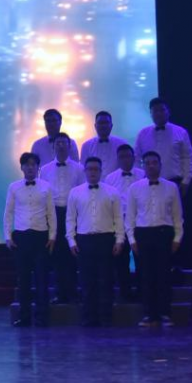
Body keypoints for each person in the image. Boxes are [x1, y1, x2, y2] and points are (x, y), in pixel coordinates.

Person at [135, 97, 192, 267]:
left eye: (162, 110)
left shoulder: (180, 132)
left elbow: (187, 157)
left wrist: (186, 180)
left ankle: (176, 265)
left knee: (175, 222)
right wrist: (140, 180)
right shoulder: (143, 133)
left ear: (168, 111)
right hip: (148, 184)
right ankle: (152, 265)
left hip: (174, 183)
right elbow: (136, 158)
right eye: (155, 110)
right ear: (151, 113)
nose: (159, 113)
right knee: (151, 223)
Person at [126, 151, 184, 327]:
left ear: (160, 165)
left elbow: (177, 215)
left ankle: (165, 313)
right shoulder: (134, 188)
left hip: (164, 233)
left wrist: (177, 238)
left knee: (163, 275)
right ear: (143, 166)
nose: (151, 166)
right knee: (145, 276)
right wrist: (132, 240)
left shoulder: (171, 187)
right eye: (148, 163)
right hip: (143, 234)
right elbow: (130, 217)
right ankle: (148, 314)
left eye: (154, 162)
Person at [66, 157, 125, 327]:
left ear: (100, 171)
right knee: (86, 281)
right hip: (84, 240)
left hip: (106, 239)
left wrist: (119, 240)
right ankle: (89, 318)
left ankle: (106, 318)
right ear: (85, 171)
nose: (92, 172)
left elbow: (118, 218)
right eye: (89, 169)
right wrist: (71, 241)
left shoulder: (112, 192)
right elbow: (70, 219)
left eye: (95, 169)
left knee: (106, 280)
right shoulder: (75, 192)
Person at [4, 152, 56, 327]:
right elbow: (8, 212)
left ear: (38, 167)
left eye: (33, 164)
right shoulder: (14, 187)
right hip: (21, 237)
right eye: (27, 164)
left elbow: (51, 213)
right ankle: (24, 317)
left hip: (41, 236)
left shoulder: (46, 187)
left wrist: (52, 236)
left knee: (42, 279)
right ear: (22, 167)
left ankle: (42, 318)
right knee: (23, 280)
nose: (30, 167)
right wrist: (7, 236)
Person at [40, 134, 83, 303]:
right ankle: (60, 293)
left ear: (70, 146)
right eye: (58, 143)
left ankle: (73, 293)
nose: (61, 146)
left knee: (73, 254)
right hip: (54, 213)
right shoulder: (45, 169)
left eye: (64, 143)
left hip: (73, 213)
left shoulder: (79, 168)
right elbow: (43, 193)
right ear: (53, 147)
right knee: (57, 254)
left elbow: (82, 192)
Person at [103, 144, 145, 301]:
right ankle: (124, 293)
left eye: (128, 156)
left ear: (134, 157)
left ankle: (142, 292)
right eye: (122, 157)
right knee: (121, 259)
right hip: (119, 222)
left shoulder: (143, 175)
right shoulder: (110, 178)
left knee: (141, 258)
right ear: (118, 159)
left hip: (140, 222)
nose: (125, 159)